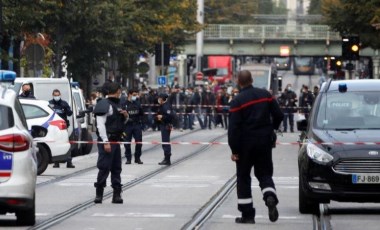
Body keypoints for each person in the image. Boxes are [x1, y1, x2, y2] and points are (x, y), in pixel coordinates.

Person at [228, 70, 284, 224]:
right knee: (265, 174)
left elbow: (233, 129)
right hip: (264, 142)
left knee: (244, 177)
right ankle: (270, 196)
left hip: (245, 145)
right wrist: (271, 129)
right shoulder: (265, 95)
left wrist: (234, 150)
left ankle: (248, 215)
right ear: (252, 80)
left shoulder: (237, 101)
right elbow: (279, 115)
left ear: (238, 82)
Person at [93, 82, 128, 204]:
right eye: (120, 91)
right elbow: (100, 125)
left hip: (116, 141)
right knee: (104, 167)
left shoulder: (117, 104)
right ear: (117, 91)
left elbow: (120, 122)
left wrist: (125, 116)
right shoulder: (104, 104)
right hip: (107, 141)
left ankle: (117, 194)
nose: (120, 94)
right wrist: (105, 141)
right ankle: (99, 193)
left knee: (116, 168)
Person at [49, 89, 75, 168]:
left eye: (58, 95)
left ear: (60, 95)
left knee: (66, 143)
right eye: (55, 95)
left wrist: (66, 109)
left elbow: (70, 113)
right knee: (56, 144)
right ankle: (56, 162)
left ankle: (69, 161)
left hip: (63, 127)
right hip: (53, 127)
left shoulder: (64, 103)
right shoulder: (50, 103)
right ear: (53, 95)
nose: (57, 97)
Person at [121, 89, 144, 164]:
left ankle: (137, 158)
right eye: (134, 95)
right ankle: (128, 158)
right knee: (127, 142)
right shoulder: (124, 104)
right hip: (127, 125)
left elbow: (142, 113)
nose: (135, 96)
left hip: (136, 124)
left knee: (139, 142)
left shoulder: (137, 103)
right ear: (129, 95)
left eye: (136, 95)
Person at [155, 93, 174, 165]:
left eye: (159, 98)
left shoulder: (166, 106)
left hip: (166, 125)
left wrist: (162, 117)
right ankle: (166, 158)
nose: (158, 99)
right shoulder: (162, 105)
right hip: (163, 125)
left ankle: (167, 159)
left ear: (162, 99)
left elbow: (170, 117)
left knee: (165, 142)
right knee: (165, 142)